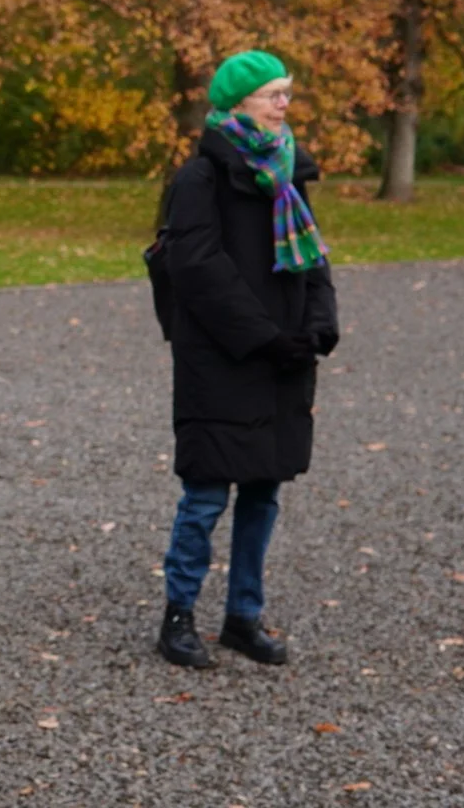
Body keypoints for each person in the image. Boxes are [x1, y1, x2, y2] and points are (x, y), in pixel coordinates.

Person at [156, 50, 339, 669]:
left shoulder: (286, 173)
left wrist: (319, 325)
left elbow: (314, 259)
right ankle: (178, 618)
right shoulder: (200, 179)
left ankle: (243, 617)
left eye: (286, 93)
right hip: (222, 359)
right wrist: (263, 337)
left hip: (282, 359)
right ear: (236, 104)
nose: (284, 104)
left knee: (263, 492)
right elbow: (197, 270)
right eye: (272, 94)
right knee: (206, 495)